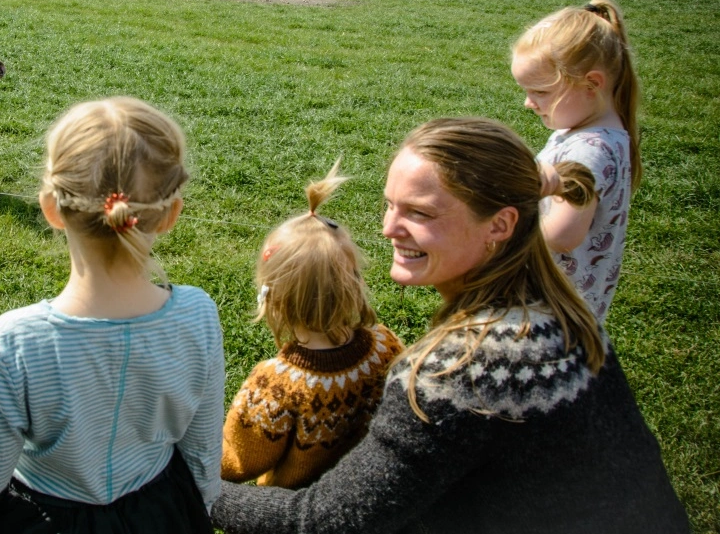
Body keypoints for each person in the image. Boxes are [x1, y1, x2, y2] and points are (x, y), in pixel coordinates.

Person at [211, 118, 689, 534]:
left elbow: (324, 521)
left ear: (500, 225)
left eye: (419, 212)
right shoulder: (564, 315)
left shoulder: (462, 372)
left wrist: (196, 489)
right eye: (390, 204)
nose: (388, 227)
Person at [0, 97, 224, 533]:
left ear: (51, 207)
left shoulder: (15, 342)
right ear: (171, 213)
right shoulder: (198, 315)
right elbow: (204, 461)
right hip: (164, 513)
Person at [221, 165, 403, 489]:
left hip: (295, 510)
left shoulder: (276, 385)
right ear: (355, 284)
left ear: (273, 298)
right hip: (367, 494)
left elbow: (239, 462)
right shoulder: (384, 345)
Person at [511, 0, 641, 323]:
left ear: (592, 84)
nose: (529, 103)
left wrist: (504, 225)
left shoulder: (590, 150)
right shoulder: (593, 131)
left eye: (540, 92)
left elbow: (562, 234)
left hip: (550, 314)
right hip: (567, 307)